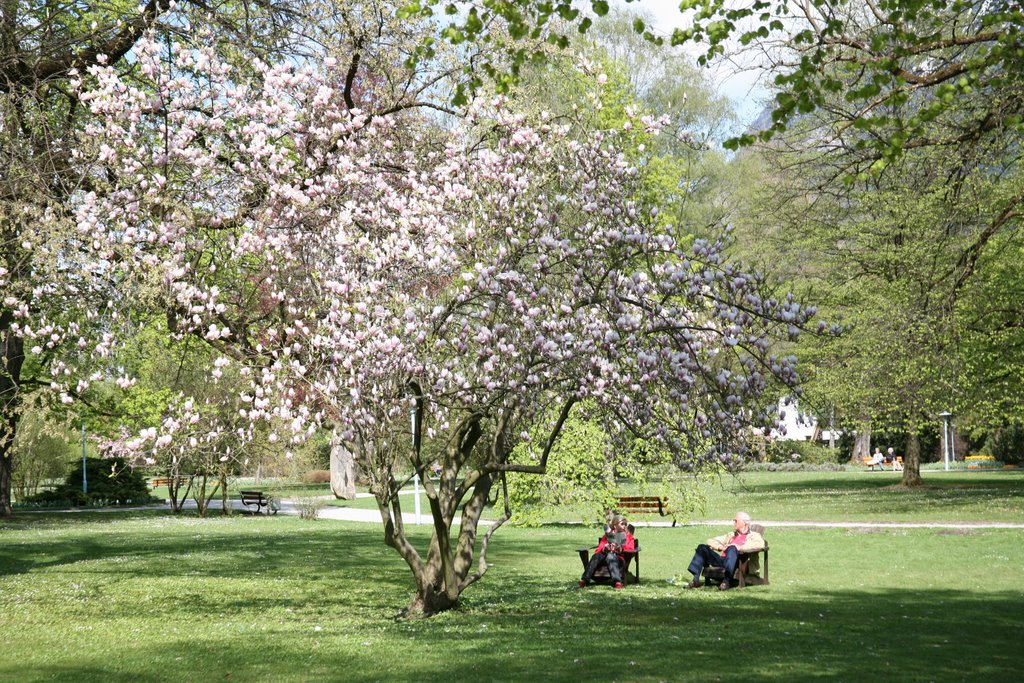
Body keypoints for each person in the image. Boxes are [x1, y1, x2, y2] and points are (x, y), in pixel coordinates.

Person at [683, 512, 766, 591]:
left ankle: (726, 581)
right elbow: (710, 541)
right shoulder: (731, 535)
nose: (733, 522)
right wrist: (721, 547)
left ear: (744, 522)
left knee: (732, 548)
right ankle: (695, 580)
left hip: (739, 563)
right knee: (702, 547)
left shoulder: (754, 535)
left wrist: (739, 547)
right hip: (723, 560)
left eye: (735, 520)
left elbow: (760, 545)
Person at [579, 514, 636, 589]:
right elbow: (598, 550)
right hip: (604, 558)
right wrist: (604, 549)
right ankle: (584, 580)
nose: (624, 526)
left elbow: (631, 549)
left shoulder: (628, 536)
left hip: (619, 559)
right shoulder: (607, 535)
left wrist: (621, 549)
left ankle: (617, 582)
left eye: (625, 524)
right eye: (622, 524)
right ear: (615, 525)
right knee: (596, 556)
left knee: (610, 556)